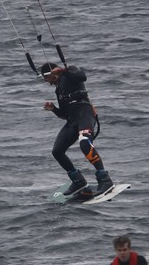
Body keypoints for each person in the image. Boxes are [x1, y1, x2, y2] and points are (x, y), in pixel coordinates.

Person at [40, 61, 112, 197]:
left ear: (51, 74)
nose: (47, 82)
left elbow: (82, 76)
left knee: (85, 143)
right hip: (72, 120)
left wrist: (63, 70)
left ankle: (105, 179)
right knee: (57, 151)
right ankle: (79, 182)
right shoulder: (58, 90)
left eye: (46, 78)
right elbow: (65, 115)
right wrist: (54, 109)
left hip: (85, 113)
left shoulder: (70, 72)